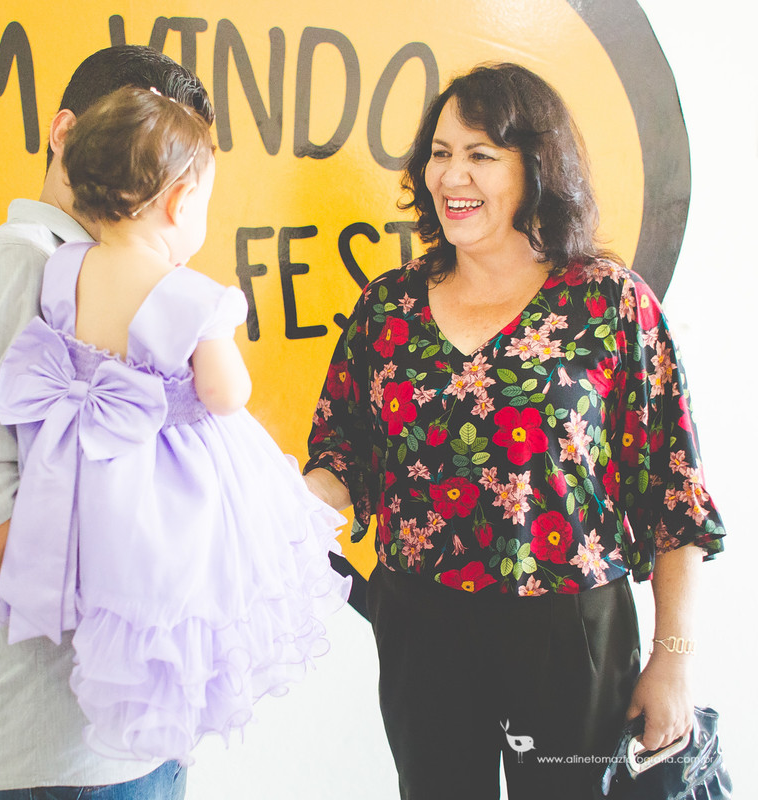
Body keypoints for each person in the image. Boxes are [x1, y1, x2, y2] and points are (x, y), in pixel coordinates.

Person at [303, 63, 725, 799]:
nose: (450, 175)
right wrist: (265, 505)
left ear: (537, 165)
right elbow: (344, 457)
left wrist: (674, 659)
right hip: (421, 628)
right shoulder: (389, 307)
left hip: (568, 636)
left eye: (480, 154)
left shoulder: (609, 303)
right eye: (440, 152)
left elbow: (674, 496)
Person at [0, 85, 350, 766]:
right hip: (169, 478)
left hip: (86, 468)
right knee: (170, 585)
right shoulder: (189, 295)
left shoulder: (63, 267)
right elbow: (223, 393)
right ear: (180, 202)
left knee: (110, 572)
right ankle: (159, 698)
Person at [0, 47, 212, 799]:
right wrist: (171, 536)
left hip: (124, 747)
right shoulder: (15, 268)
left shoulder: (103, 276)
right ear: (64, 132)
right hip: (57, 763)